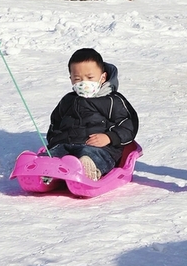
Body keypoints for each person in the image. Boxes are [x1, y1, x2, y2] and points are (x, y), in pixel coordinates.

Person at [46, 48, 138, 181]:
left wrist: (109, 137)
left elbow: (128, 124)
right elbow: (55, 123)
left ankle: (88, 170)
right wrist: (55, 142)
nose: (83, 83)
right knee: (53, 155)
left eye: (90, 78)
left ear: (103, 77)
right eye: (77, 79)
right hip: (67, 145)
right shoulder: (68, 100)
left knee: (91, 155)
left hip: (98, 147)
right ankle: (46, 171)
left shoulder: (112, 101)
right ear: (71, 79)